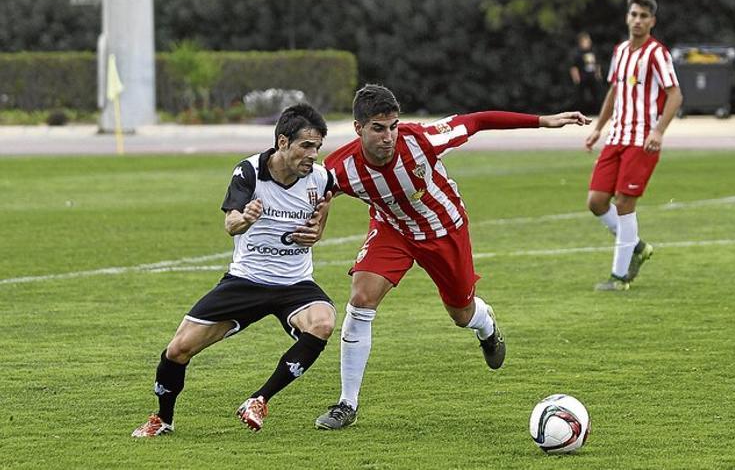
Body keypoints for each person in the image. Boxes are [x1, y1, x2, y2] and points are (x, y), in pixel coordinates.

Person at [314, 84, 589, 429]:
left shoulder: (422, 139)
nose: (388, 136)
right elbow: (314, 192)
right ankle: (346, 404)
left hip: (444, 230)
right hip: (392, 230)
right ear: (358, 128)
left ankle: (486, 325)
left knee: (461, 313)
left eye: (393, 126)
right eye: (378, 128)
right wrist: (315, 216)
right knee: (361, 298)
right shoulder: (339, 168)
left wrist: (542, 121)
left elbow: (478, 121)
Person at [131, 104, 336, 437]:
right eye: (306, 146)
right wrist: (246, 218)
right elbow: (231, 224)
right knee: (177, 350)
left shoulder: (321, 177)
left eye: (317, 148)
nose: (313, 155)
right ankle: (163, 419)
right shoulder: (250, 172)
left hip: (295, 283)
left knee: (324, 322)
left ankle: (259, 400)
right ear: (283, 142)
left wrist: (319, 230)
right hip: (246, 281)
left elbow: (323, 206)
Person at [583, 0, 683, 291]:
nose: (638, 20)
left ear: (652, 21)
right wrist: (598, 128)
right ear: (628, 17)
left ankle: (620, 276)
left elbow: (675, 94)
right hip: (617, 137)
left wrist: (658, 131)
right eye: (634, 15)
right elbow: (615, 92)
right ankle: (637, 247)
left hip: (642, 140)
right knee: (596, 202)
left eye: (644, 16)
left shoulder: (657, 54)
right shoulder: (621, 51)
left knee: (625, 202)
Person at [569, 31, 605, 114]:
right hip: (582, 77)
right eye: (586, 41)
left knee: (597, 94)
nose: (588, 42)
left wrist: (598, 74)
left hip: (592, 76)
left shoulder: (593, 51)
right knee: (580, 96)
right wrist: (576, 78)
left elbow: (597, 64)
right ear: (581, 42)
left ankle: (599, 112)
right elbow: (573, 66)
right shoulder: (577, 53)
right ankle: (580, 112)